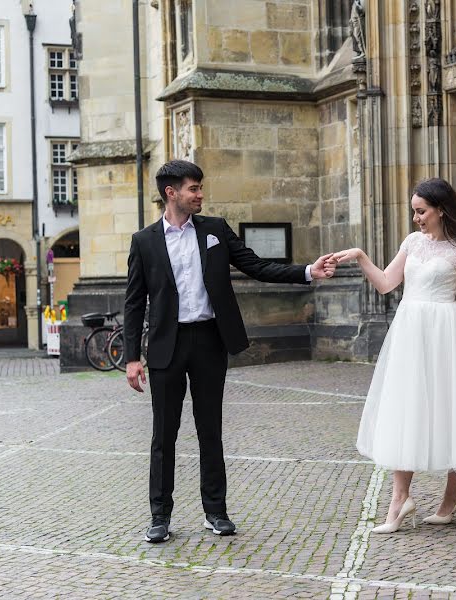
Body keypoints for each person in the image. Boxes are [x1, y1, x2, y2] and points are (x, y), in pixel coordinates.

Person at [124, 159, 336, 543]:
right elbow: (134, 302)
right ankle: (160, 517)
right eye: (194, 189)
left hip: (209, 341)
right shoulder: (144, 241)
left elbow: (256, 266)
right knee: (163, 435)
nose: (200, 194)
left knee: (210, 430)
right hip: (166, 346)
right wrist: (131, 358)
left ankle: (215, 512)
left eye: (201, 188)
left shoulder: (215, 230)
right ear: (171, 193)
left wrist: (308, 272)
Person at [333, 177, 456, 534]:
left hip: (448, 333)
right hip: (410, 333)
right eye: (413, 211)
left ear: (441, 210)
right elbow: (386, 283)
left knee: (453, 407)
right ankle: (400, 499)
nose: (415, 217)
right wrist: (360, 257)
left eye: (421, 211)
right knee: (407, 408)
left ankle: (453, 494)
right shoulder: (412, 243)